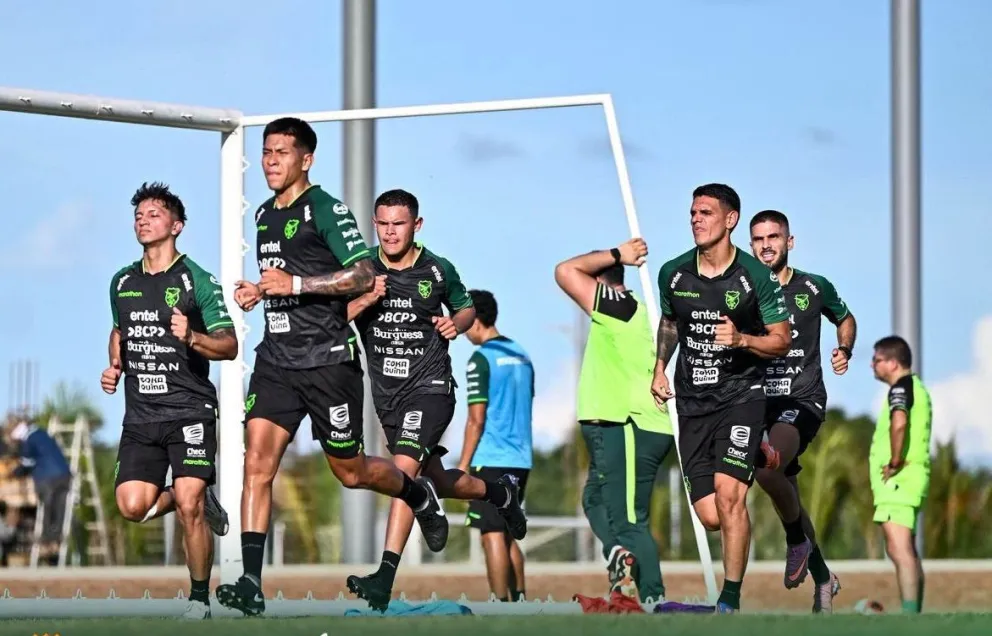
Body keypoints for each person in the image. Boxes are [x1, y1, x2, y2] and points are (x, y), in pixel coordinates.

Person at [221, 118, 447, 616]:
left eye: (282, 152)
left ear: (307, 159)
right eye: (266, 152)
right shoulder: (262, 215)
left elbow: (365, 274)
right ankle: (251, 585)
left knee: (351, 473)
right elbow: (282, 280)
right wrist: (260, 291)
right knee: (256, 465)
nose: (271, 161)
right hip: (277, 361)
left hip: (328, 363)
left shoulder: (326, 208)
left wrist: (296, 286)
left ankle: (419, 495)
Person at [344, 189, 528, 611]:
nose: (391, 233)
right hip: (387, 398)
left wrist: (455, 323)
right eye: (383, 224)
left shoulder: (438, 269)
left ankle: (384, 577)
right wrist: (366, 298)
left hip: (430, 388)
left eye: (399, 224)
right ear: (374, 224)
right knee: (436, 481)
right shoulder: (360, 270)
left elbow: (465, 310)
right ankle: (499, 494)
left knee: (403, 468)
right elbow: (335, 319)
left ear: (417, 226)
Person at [652, 183, 791, 613]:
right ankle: (755, 450)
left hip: (741, 396)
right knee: (712, 515)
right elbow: (670, 323)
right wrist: (658, 368)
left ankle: (729, 601)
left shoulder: (755, 277)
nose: (696, 219)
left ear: (730, 220)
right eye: (693, 212)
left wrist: (743, 339)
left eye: (706, 213)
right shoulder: (673, 273)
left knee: (731, 497)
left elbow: (782, 341)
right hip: (693, 402)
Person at [101, 182, 237, 620]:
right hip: (140, 416)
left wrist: (193, 336)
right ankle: (184, 494)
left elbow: (230, 344)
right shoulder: (121, 281)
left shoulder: (196, 279)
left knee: (191, 504)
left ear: (176, 225)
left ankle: (199, 601)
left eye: (154, 214)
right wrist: (114, 366)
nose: (143, 220)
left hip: (189, 410)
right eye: (138, 214)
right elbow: (119, 331)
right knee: (132, 507)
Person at [554, 238, 676, 603]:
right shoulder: (630, 310)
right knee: (593, 498)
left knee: (629, 521)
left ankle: (654, 600)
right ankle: (619, 556)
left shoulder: (619, 304)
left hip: (628, 423)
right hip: (621, 422)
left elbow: (564, 271)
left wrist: (618, 255)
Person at [748, 210, 855, 612]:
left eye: (773, 237)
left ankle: (796, 541)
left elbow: (845, 318)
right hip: (758, 405)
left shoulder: (813, 287)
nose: (766, 245)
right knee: (785, 492)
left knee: (767, 468)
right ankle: (824, 579)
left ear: (789, 242)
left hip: (801, 400)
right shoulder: (745, 291)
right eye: (758, 239)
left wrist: (844, 349)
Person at [457, 289, 535, 603]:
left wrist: (462, 466)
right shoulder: (522, 354)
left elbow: (476, 419)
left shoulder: (481, 359)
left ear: (474, 319)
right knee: (506, 532)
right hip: (521, 459)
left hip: (490, 458)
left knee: (491, 534)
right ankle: (520, 599)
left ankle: (500, 606)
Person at [870, 335, 930, 614]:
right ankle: (913, 612)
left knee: (899, 547)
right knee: (903, 548)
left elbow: (899, 422)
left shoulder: (901, 388)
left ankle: (909, 616)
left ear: (893, 363)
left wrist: (894, 461)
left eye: (877, 359)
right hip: (908, 478)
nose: (872, 365)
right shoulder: (915, 387)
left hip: (899, 479)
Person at [8, 420, 72, 566]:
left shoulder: (28, 439)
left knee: (47, 508)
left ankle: (47, 541)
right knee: (59, 509)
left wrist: (14, 473)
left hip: (46, 478)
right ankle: (56, 538)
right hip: (64, 475)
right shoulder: (42, 433)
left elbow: (26, 463)